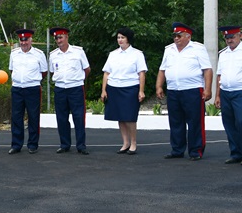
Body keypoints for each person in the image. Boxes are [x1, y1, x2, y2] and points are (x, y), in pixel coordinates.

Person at [156, 22, 213, 161]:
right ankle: (177, 149)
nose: (176, 38)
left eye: (179, 36)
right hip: (174, 90)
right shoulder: (169, 49)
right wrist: (159, 86)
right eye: (174, 36)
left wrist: (208, 89)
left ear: (188, 36)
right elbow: (162, 69)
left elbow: (207, 70)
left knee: (195, 122)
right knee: (176, 121)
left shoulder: (198, 49)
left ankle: (195, 151)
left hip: (192, 90)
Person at [100, 27, 147, 154]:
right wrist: (103, 90)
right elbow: (106, 73)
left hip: (130, 88)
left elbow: (141, 73)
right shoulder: (113, 54)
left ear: (128, 39)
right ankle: (125, 142)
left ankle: (133, 143)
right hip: (114, 88)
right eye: (118, 38)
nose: (120, 40)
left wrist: (141, 91)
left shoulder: (137, 54)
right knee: (120, 117)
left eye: (122, 37)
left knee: (130, 117)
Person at [48, 27, 91, 155]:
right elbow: (51, 71)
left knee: (78, 117)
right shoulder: (53, 54)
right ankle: (64, 144)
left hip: (75, 88)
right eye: (56, 38)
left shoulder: (78, 52)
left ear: (67, 37)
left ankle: (81, 145)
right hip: (60, 88)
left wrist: (78, 80)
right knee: (61, 118)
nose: (58, 40)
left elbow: (87, 69)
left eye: (61, 37)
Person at [8, 29, 48, 154]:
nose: (23, 43)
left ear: (31, 40)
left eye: (26, 40)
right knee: (16, 117)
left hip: (32, 89)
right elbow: (11, 70)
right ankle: (16, 145)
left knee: (33, 117)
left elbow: (44, 72)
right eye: (21, 40)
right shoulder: (14, 53)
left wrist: (32, 80)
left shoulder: (39, 54)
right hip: (17, 89)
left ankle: (32, 144)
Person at [215, 25, 242, 164]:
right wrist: (217, 95)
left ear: (240, 35)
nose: (230, 40)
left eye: (232, 37)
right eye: (227, 38)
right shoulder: (223, 54)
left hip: (240, 92)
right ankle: (236, 153)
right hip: (226, 92)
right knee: (229, 123)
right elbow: (219, 76)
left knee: (241, 122)